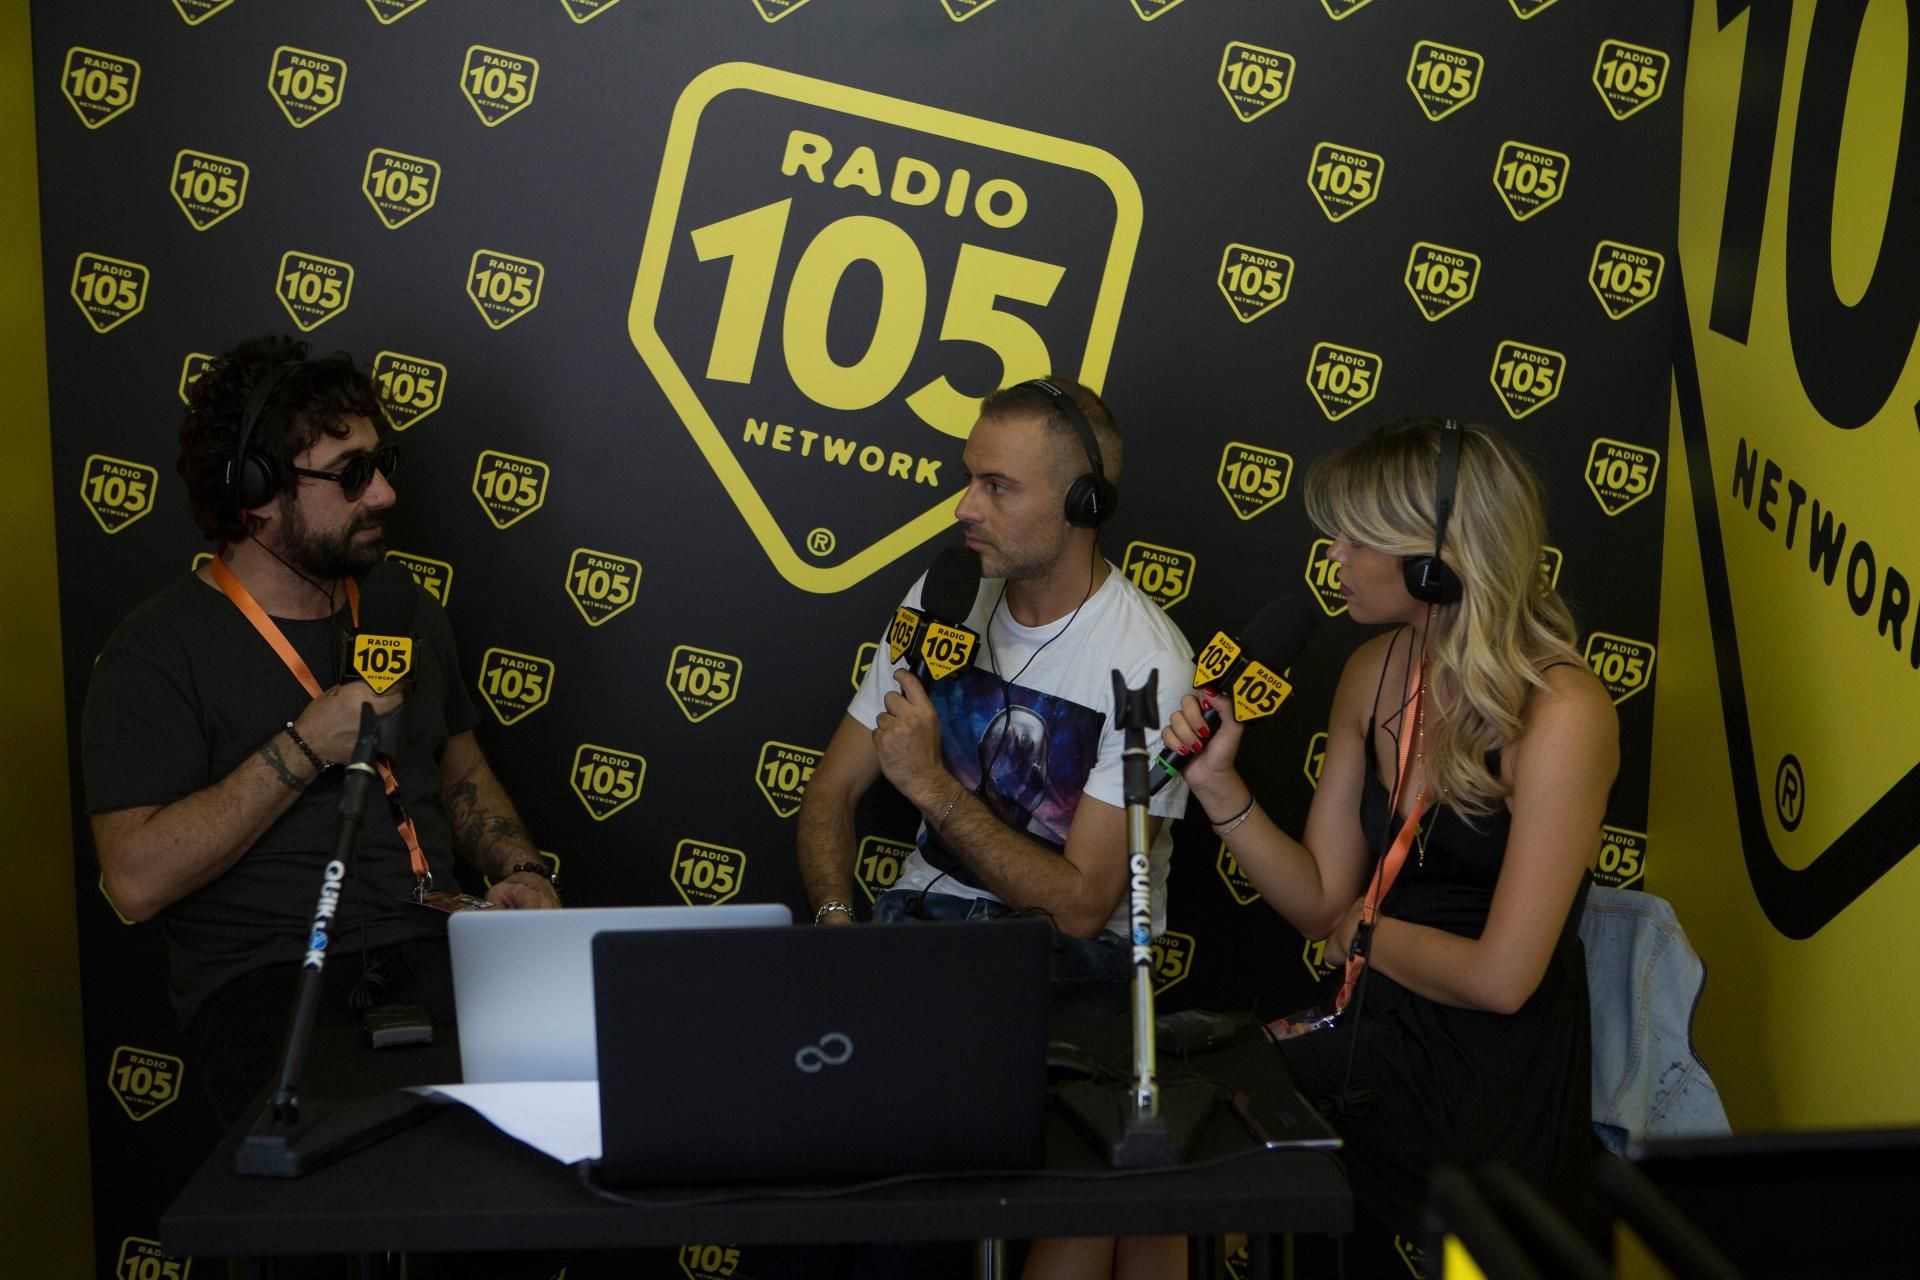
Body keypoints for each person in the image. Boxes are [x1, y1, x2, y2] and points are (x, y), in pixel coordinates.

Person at [1161, 416, 1618, 1274]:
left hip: (1486, 1078)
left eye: (1355, 537)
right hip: (1373, 1029)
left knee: (1204, 1152)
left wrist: (1366, 938)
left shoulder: (1561, 712)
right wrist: (1218, 786)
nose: (1331, 554)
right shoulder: (1371, 670)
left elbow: (1503, 979)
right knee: (1168, 1140)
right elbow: (1318, 904)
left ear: (1434, 558)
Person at [82, 335, 559, 1128]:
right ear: (256, 492)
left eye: (382, 464)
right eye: (350, 474)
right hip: (276, 982)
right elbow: (133, 880)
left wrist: (522, 868)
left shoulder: (405, 607)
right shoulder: (156, 651)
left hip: (441, 950)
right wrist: (304, 747)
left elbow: (463, 772)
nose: (384, 495)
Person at [798, 377, 1194, 1012]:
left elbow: (1082, 910)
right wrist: (836, 923)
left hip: (1062, 960)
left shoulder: (1149, 665)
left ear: (1083, 504)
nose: (965, 508)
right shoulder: (943, 598)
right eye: (970, 479)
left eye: (998, 487)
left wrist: (931, 785)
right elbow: (832, 789)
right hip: (918, 924)